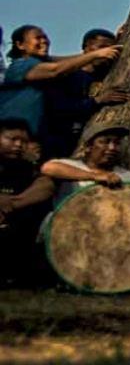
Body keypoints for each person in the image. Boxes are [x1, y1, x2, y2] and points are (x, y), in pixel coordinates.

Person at [0, 25, 122, 153]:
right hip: (9, 137)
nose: (44, 41)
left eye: (45, 37)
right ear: (20, 45)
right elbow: (56, 70)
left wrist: (112, 46)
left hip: (35, 140)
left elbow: (78, 58)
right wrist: (97, 53)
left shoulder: (42, 63)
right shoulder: (19, 66)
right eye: (38, 38)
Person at [0, 119, 53, 287]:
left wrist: (12, 204)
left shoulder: (28, 168)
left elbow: (46, 187)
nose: (18, 145)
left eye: (23, 141)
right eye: (12, 139)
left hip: (16, 225)